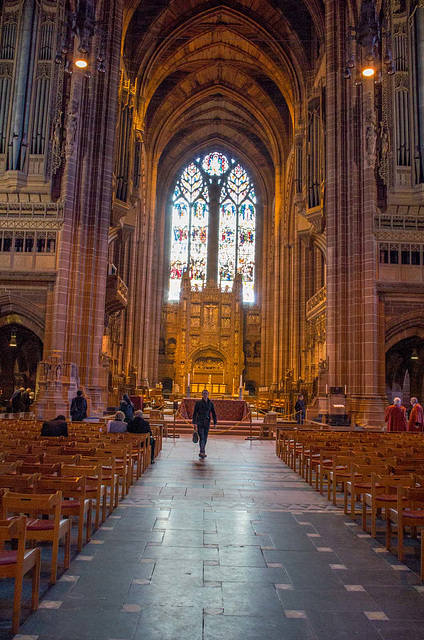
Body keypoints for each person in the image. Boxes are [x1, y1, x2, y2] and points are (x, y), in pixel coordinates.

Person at [192, 389, 217, 459]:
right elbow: (195, 413)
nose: (205, 395)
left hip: (207, 422)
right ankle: (202, 451)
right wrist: (194, 422)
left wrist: (215, 423)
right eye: (204, 394)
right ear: (202, 395)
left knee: (205, 437)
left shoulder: (210, 403)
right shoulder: (198, 403)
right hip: (200, 421)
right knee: (202, 437)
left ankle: (202, 451)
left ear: (208, 394)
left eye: (206, 393)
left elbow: (214, 413)